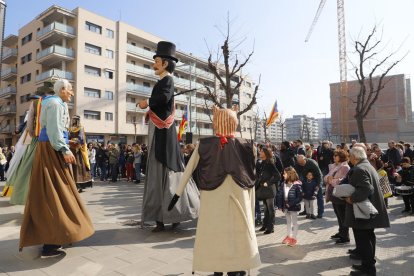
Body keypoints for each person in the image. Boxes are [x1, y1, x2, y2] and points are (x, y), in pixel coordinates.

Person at [168, 107, 260, 275]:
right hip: (239, 196)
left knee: (213, 233)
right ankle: (236, 267)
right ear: (235, 123)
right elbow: (251, 177)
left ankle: (218, 268)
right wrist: (252, 203)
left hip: (213, 196)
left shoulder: (205, 144)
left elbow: (188, 169)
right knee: (238, 234)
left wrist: (177, 193)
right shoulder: (247, 145)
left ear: (215, 124)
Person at [19, 78, 94, 258]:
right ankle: (51, 244)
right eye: (70, 90)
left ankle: (56, 237)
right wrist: (64, 148)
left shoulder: (54, 102)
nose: (72, 93)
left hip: (50, 149)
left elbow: (54, 131)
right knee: (56, 194)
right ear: (61, 90)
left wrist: (66, 142)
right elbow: (53, 131)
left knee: (55, 194)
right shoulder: (54, 103)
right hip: (51, 151)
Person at [137, 41, 199, 232]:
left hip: (164, 137)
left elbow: (162, 99)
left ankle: (170, 216)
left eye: (156, 61)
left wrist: (146, 102)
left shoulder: (167, 81)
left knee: (166, 174)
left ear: (164, 63)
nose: (153, 64)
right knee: (160, 175)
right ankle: (162, 218)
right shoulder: (163, 81)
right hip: (161, 135)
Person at [344, 147, 390, 276]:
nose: (349, 159)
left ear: (355, 157)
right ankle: (367, 265)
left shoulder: (359, 169)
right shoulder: (367, 165)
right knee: (368, 238)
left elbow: (366, 189)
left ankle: (368, 270)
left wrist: (351, 198)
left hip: (364, 212)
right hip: (368, 211)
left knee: (364, 240)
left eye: (350, 156)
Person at [324, 150, 351, 244]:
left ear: (341, 157)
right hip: (333, 194)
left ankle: (345, 236)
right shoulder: (333, 166)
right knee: (338, 215)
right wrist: (328, 179)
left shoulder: (345, 167)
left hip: (340, 194)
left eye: (336, 156)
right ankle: (341, 232)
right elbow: (326, 177)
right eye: (334, 155)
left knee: (342, 215)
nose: (334, 157)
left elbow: (341, 181)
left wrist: (331, 180)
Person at [256, 147, 281, 234]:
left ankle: (271, 227)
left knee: (270, 209)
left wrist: (268, 182)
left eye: (262, 151)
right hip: (263, 189)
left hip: (269, 189)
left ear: (266, 153)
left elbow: (278, 176)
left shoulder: (270, 163)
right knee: (266, 209)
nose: (260, 152)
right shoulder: (262, 162)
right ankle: (265, 225)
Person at [276, 167, 303, 247]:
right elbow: (280, 195)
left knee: (294, 223)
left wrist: (291, 204)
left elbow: (299, 197)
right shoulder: (283, 183)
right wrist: (280, 205)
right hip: (286, 207)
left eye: (284, 173)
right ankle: (289, 236)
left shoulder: (297, 185)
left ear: (290, 174)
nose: (283, 175)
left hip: (294, 207)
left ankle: (294, 238)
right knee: (288, 222)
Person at [69, 115, 92, 193]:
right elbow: (68, 137)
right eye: (73, 119)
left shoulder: (81, 127)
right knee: (72, 165)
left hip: (78, 150)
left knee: (79, 166)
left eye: (75, 120)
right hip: (71, 149)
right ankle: (72, 184)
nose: (73, 121)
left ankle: (80, 186)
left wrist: (75, 141)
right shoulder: (70, 128)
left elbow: (81, 139)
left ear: (77, 120)